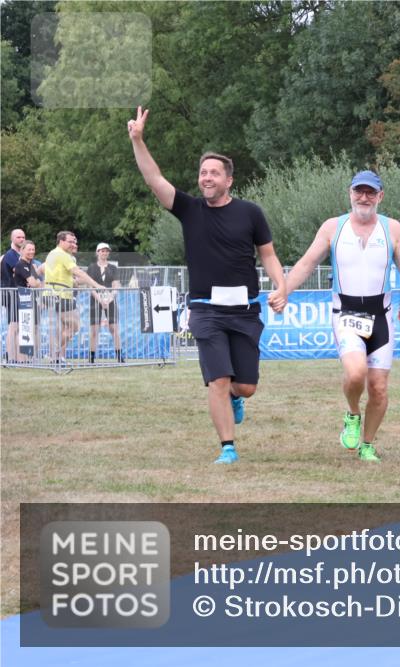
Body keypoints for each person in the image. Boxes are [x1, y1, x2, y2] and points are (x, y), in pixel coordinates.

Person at [128, 105, 287, 464]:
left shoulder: (251, 213)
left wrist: (281, 286)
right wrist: (138, 140)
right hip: (205, 311)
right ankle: (228, 447)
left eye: (214, 173)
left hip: (245, 311)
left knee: (245, 386)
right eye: (203, 173)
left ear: (229, 180)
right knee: (218, 379)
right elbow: (154, 179)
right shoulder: (189, 209)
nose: (207, 178)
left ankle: (236, 397)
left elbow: (268, 255)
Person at [272, 170, 400, 462]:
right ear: (350, 194)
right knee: (357, 373)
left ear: (380, 196)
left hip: (381, 315)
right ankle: (352, 413)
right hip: (346, 313)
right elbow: (307, 264)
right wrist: (283, 291)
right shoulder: (333, 227)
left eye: (370, 192)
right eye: (359, 191)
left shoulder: (392, 228)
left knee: (379, 388)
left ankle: (367, 445)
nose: (364, 197)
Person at [43, 231, 104, 364]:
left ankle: (56, 356)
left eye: (74, 242)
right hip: (61, 295)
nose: (73, 244)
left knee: (65, 327)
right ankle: (53, 352)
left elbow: (65, 277)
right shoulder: (62, 255)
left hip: (55, 294)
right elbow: (77, 272)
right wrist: (96, 284)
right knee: (74, 326)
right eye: (70, 241)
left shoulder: (53, 253)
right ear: (61, 241)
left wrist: (76, 283)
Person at [87, 242, 124, 363]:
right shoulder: (91, 267)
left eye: (106, 251)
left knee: (114, 329)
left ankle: (119, 356)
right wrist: (100, 299)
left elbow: (116, 285)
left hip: (110, 300)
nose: (105, 253)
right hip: (95, 300)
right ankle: (91, 358)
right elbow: (90, 287)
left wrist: (109, 299)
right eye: (102, 251)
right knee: (94, 330)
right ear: (97, 252)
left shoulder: (113, 268)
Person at [9, 239, 42, 362]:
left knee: (30, 329)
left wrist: (37, 283)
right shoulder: (21, 264)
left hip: (30, 300)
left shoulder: (31, 265)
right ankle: (20, 359)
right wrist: (36, 283)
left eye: (33, 249)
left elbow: (39, 283)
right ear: (22, 250)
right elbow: (34, 283)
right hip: (21, 300)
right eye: (29, 249)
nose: (32, 252)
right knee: (20, 329)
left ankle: (26, 358)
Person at [3, 228, 26, 363]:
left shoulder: (20, 255)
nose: (22, 239)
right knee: (14, 326)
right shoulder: (11, 255)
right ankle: (10, 357)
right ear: (12, 239)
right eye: (18, 237)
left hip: (20, 295)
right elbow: (20, 271)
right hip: (12, 295)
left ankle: (17, 358)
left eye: (23, 237)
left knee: (19, 327)